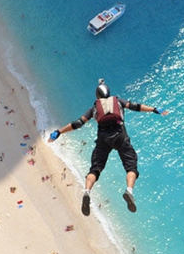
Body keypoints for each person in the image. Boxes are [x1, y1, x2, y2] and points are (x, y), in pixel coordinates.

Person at [48, 80, 168, 216]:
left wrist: (58, 132)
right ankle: (129, 191)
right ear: (109, 93)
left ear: (97, 96)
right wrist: (154, 109)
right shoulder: (118, 102)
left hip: (103, 139)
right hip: (120, 137)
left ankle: (87, 191)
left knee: (95, 169)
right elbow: (135, 106)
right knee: (131, 167)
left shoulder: (94, 108)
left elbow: (78, 123)